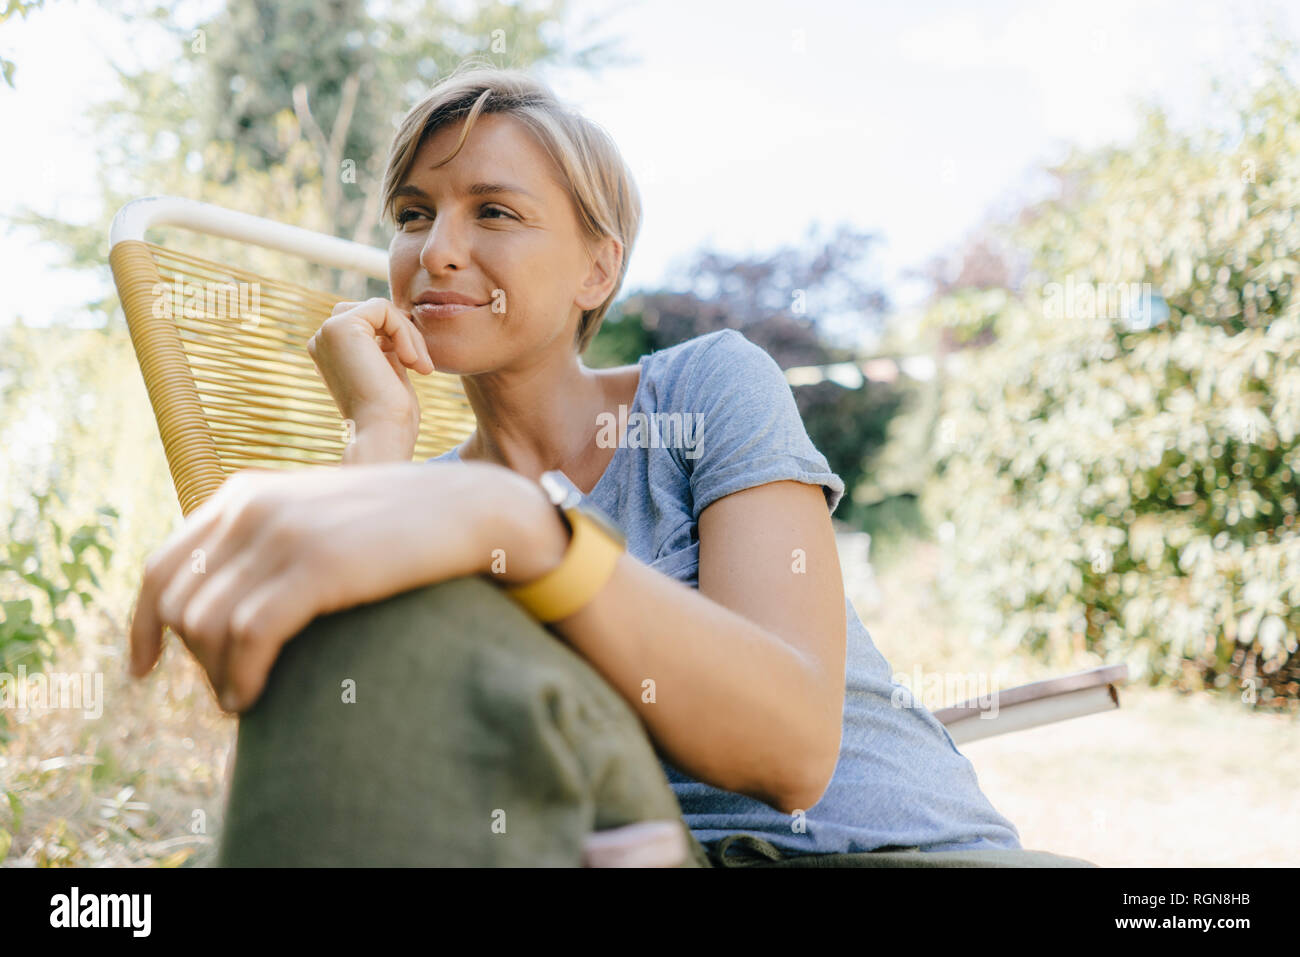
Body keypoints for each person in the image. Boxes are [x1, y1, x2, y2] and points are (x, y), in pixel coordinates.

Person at [128, 61, 1093, 868]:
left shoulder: (706, 388)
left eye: (495, 212)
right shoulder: (430, 505)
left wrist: (528, 534)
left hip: (894, 851)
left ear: (599, 269)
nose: (438, 251)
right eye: (414, 213)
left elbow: (795, 748)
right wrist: (376, 438)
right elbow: (342, 755)